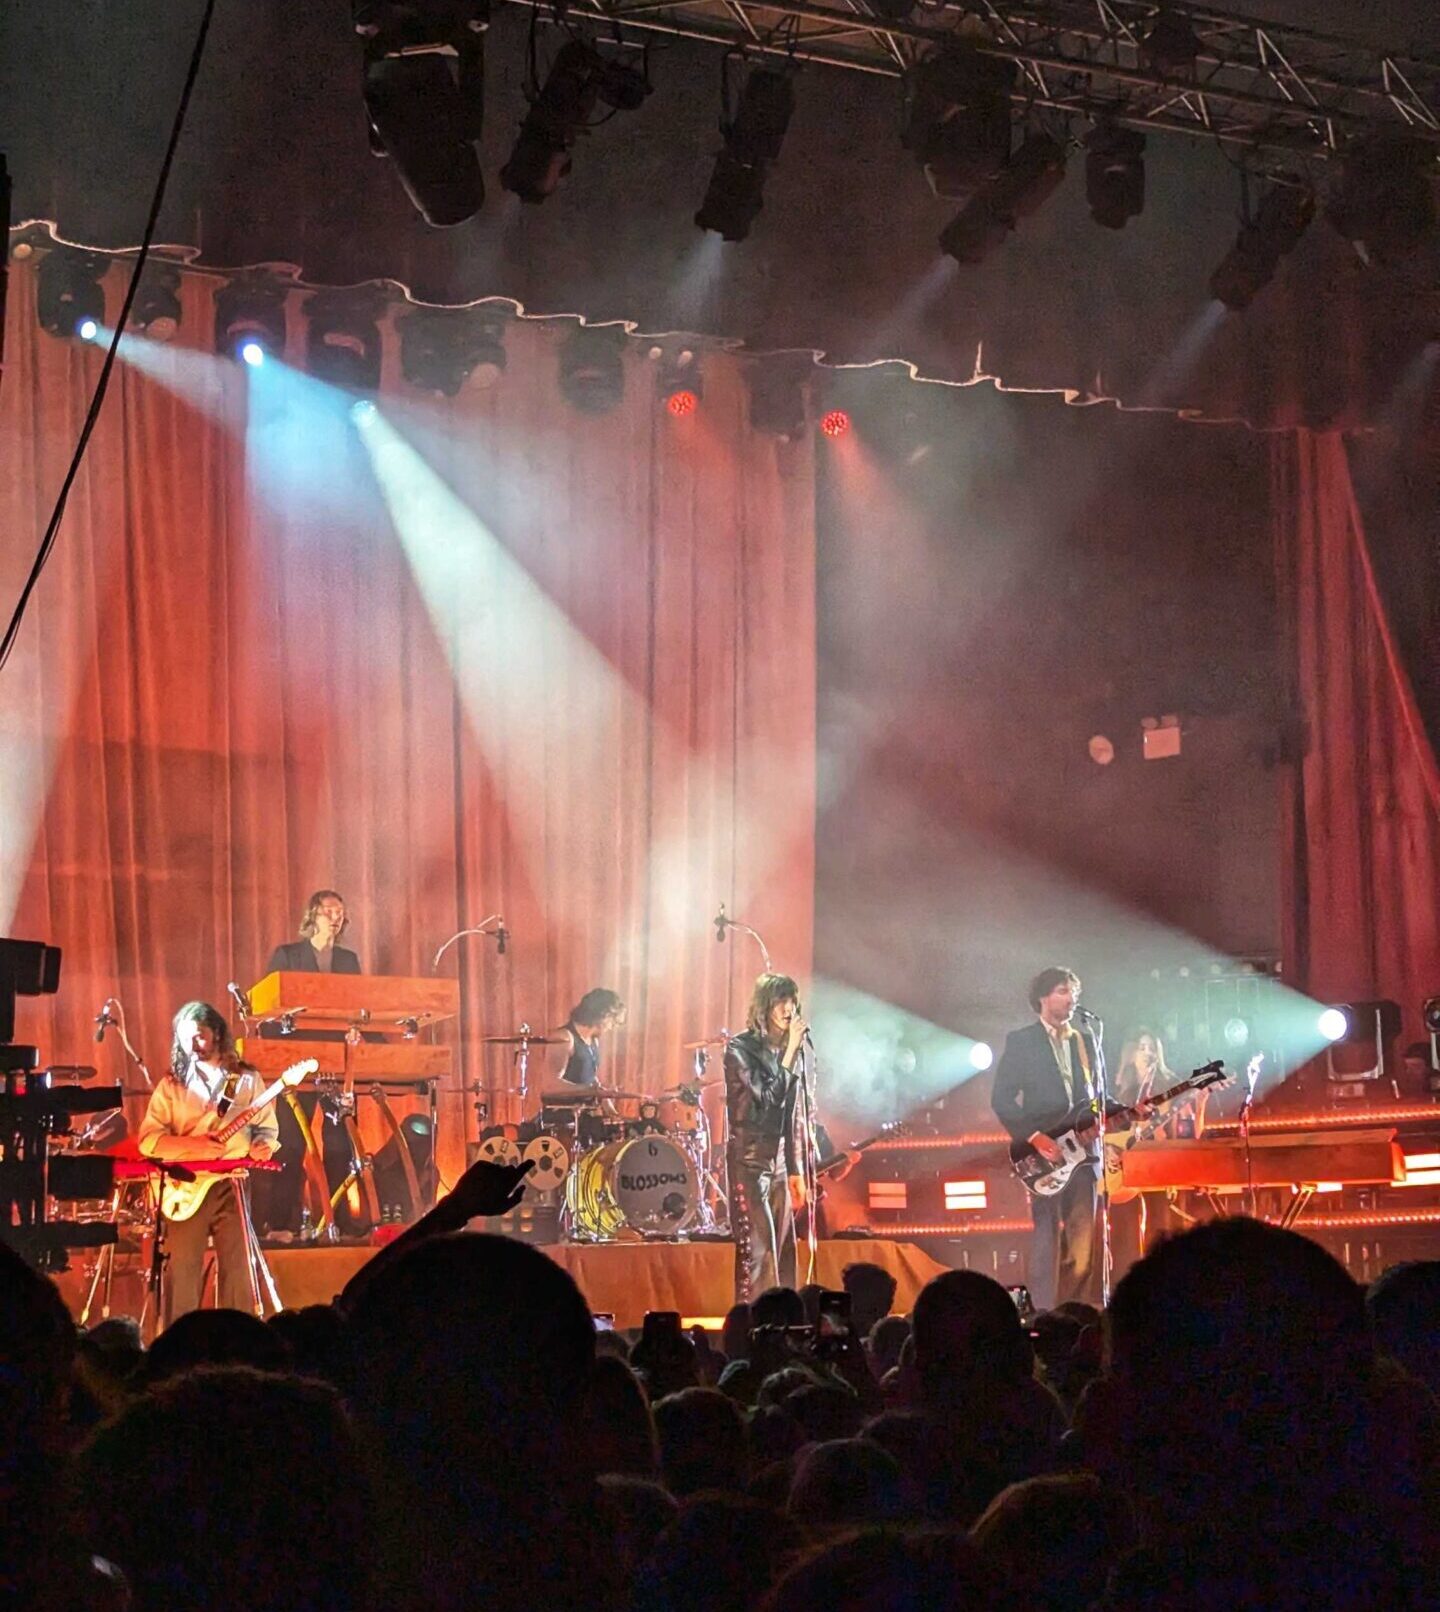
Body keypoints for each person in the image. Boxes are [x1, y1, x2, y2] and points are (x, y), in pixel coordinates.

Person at [991, 967, 1132, 1311]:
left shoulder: (1086, 1042)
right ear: (1043, 997)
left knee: (1083, 1246)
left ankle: (1076, 1314)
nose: (1071, 999)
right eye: (1062, 992)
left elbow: (1098, 1100)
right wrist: (1035, 1137)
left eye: (1073, 993)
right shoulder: (1021, 1041)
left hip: (1085, 1154)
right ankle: (1042, 1313)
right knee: (1046, 1239)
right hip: (1045, 1154)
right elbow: (1002, 1099)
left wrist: (1129, 1111)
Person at [138, 1001, 280, 1323]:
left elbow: (267, 1129)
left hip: (233, 1181)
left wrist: (263, 1146)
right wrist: (193, 1146)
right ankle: (178, 1349)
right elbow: (148, 1141)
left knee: (239, 1271)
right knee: (183, 1271)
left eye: (199, 1036)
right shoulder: (171, 1086)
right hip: (185, 1185)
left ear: (217, 1033)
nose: (191, 1045)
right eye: (184, 1037)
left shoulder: (246, 1080)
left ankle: (237, 1348)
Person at [725, 973, 807, 1303]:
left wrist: (797, 1168)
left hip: (780, 1163)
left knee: (785, 1249)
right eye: (781, 1001)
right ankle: (752, 1325)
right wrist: (788, 1055)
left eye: (792, 1001)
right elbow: (768, 1098)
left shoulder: (790, 1051)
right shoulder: (740, 1049)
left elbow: (793, 1114)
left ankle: (790, 1321)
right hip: (750, 1160)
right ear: (765, 1006)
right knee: (759, 1249)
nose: (789, 1008)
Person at [266, 889, 362, 974]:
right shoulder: (288, 956)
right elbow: (270, 992)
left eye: (339, 913)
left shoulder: (349, 960)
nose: (335, 917)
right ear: (313, 916)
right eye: (328, 912)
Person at [556, 987, 626, 1087]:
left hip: (586, 1102)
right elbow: (550, 1084)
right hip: (564, 1103)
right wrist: (587, 1091)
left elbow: (588, 1079)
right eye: (612, 1022)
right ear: (603, 1017)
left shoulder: (593, 1041)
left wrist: (604, 1097)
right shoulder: (565, 1037)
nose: (611, 1028)